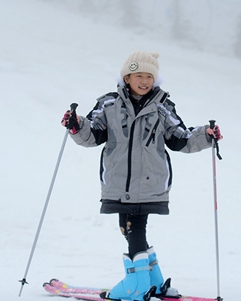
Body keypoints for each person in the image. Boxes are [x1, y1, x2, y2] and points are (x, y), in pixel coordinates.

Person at [61, 51, 222, 301]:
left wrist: (205, 134)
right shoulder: (109, 104)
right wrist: (76, 125)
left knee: (134, 226)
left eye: (149, 76)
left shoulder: (161, 106)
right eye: (139, 75)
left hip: (150, 181)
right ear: (127, 77)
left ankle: (136, 284)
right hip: (118, 181)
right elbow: (92, 134)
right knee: (130, 229)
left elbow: (180, 138)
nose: (144, 81)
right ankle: (154, 281)